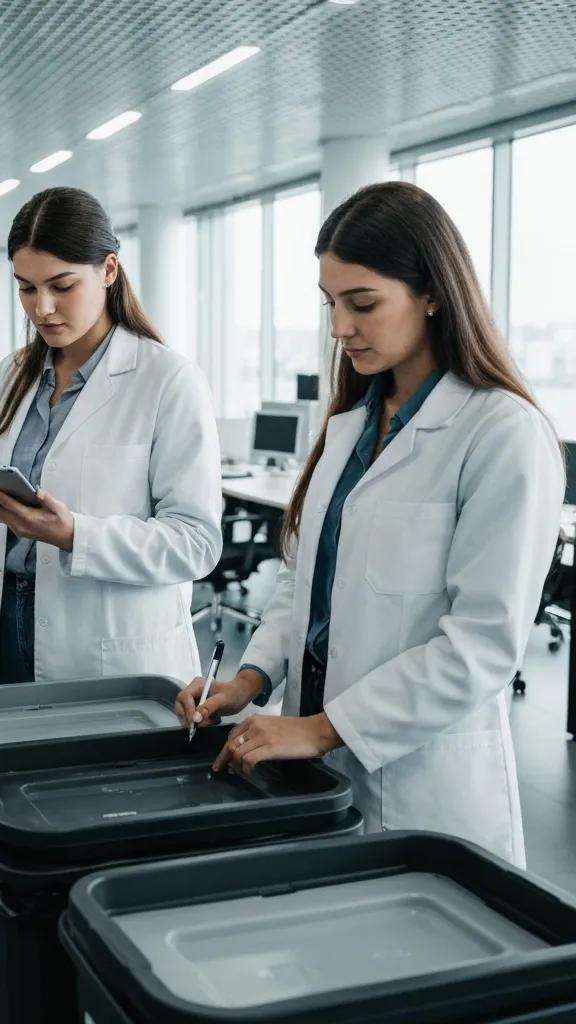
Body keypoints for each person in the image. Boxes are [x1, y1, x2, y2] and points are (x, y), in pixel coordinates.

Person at [175, 181, 564, 866]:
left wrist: (325, 728)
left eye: (362, 304)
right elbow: (306, 582)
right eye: (330, 304)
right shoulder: (353, 423)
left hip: (420, 787)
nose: (338, 328)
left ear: (433, 294)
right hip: (319, 770)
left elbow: (481, 647)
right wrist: (252, 679)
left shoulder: (501, 433)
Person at [0, 186, 222, 686]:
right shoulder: (10, 377)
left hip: (109, 650)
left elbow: (195, 543)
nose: (42, 307)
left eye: (62, 286)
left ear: (108, 271)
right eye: (26, 287)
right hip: (4, 631)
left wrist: (74, 534)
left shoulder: (167, 381)